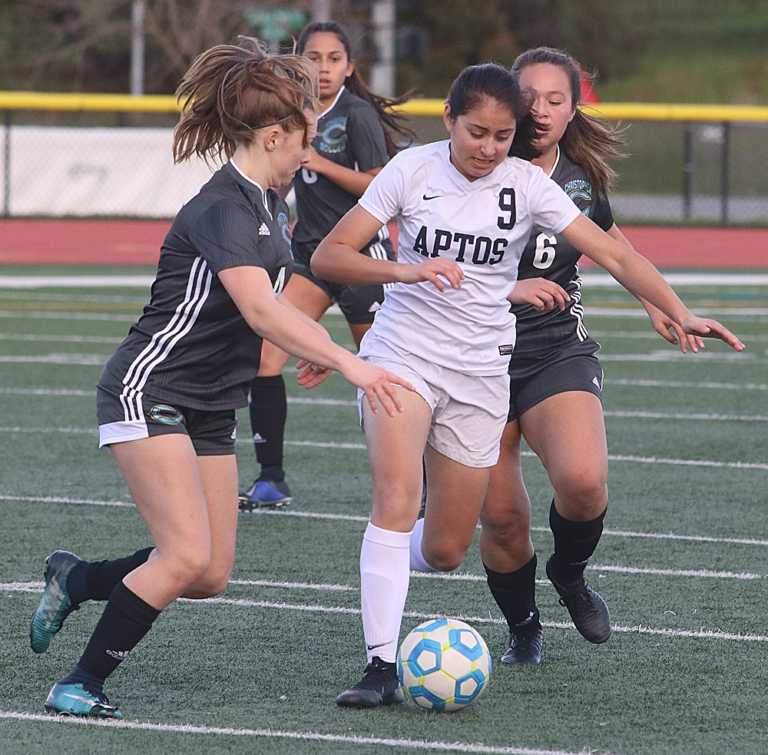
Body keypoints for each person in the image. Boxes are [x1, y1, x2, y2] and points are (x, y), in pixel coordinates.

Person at [309, 63, 744, 708]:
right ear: (449, 121)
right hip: (404, 354)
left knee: (448, 548)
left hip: (484, 370)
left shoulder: (527, 185)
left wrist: (677, 309)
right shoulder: (413, 170)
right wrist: (408, 270)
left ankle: (389, 558)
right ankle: (379, 663)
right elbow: (329, 256)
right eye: (476, 132)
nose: (488, 147)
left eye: (503, 135)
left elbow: (616, 252)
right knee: (396, 495)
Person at [29, 38, 412, 720]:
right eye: (303, 137)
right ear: (274, 135)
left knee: (206, 573)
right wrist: (350, 357)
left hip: (209, 401)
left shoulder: (271, 203)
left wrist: (319, 340)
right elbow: (261, 308)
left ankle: (77, 578)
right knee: (181, 555)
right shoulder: (226, 206)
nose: (309, 150)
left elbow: (282, 289)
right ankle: (78, 681)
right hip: (150, 389)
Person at [478, 47, 710, 666]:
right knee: (501, 519)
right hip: (472, 352)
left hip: (554, 344)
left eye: (557, 99)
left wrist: (659, 302)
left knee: (582, 483)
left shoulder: (578, 175)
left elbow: (610, 242)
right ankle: (523, 625)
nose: (542, 110)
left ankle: (570, 573)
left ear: (575, 107)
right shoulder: (474, 163)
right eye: (530, 97)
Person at [240, 20, 413, 509]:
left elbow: (384, 186)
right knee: (265, 358)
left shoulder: (356, 114)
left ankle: (416, 482)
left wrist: (321, 163)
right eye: (313, 58)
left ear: (349, 67)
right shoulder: (292, 115)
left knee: (382, 368)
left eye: (333, 59)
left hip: (359, 258)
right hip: (310, 257)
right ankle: (270, 478)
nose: (323, 68)